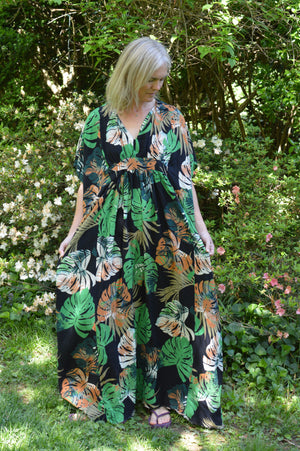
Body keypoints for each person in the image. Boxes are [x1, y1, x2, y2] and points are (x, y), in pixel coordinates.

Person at [56, 37, 223, 429]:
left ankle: (159, 398)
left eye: (162, 79)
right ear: (131, 74)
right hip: (111, 232)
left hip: (163, 230)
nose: (157, 86)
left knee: (164, 309)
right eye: (151, 79)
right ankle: (103, 392)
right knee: (110, 308)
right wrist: (73, 231)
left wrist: (199, 228)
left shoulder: (172, 119)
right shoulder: (98, 120)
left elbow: (185, 181)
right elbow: (88, 183)